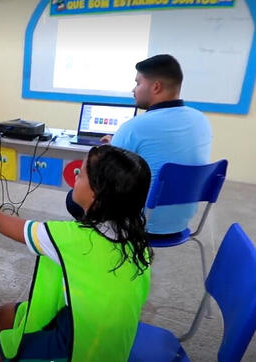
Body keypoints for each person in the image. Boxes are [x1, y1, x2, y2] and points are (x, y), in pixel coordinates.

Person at [0, 145, 152, 362]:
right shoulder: (133, 235)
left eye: (80, 175)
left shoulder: (70, 239)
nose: (74, 179)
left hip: (82, 348)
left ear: (97, 194)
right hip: (97, 327)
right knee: (5, 313)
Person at [66, 54, 212, 236]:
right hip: (182, 222)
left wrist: (117, 142)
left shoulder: (134, 127)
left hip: (139, 223)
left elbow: (102, 177)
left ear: (156, 87)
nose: (133, 89)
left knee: (75, 197)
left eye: (137, 83)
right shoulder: (201, 120)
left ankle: (94, 245)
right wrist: (117, 143)